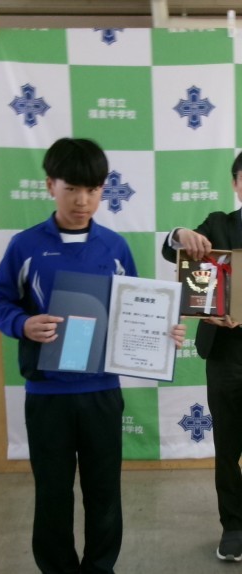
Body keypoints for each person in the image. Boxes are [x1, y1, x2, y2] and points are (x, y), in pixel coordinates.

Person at [0, 137, 186, 574]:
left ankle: (100, 568)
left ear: (102, 189)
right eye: (72, 188)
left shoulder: (114, 247)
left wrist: (162, 330)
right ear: (50, 186)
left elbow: (136, 308)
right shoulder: (25, 246)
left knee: (104, 492)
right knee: (52, 493)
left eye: (93, 190)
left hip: (101, 392)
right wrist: (23, 324)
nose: (82, 201)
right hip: (47, 394)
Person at [161, 151, 242, 563]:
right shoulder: (218, 224)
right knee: (227, 447)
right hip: (226, 354)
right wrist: (178, 234)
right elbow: (172, 252)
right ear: (235, 183)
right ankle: (234, 527)